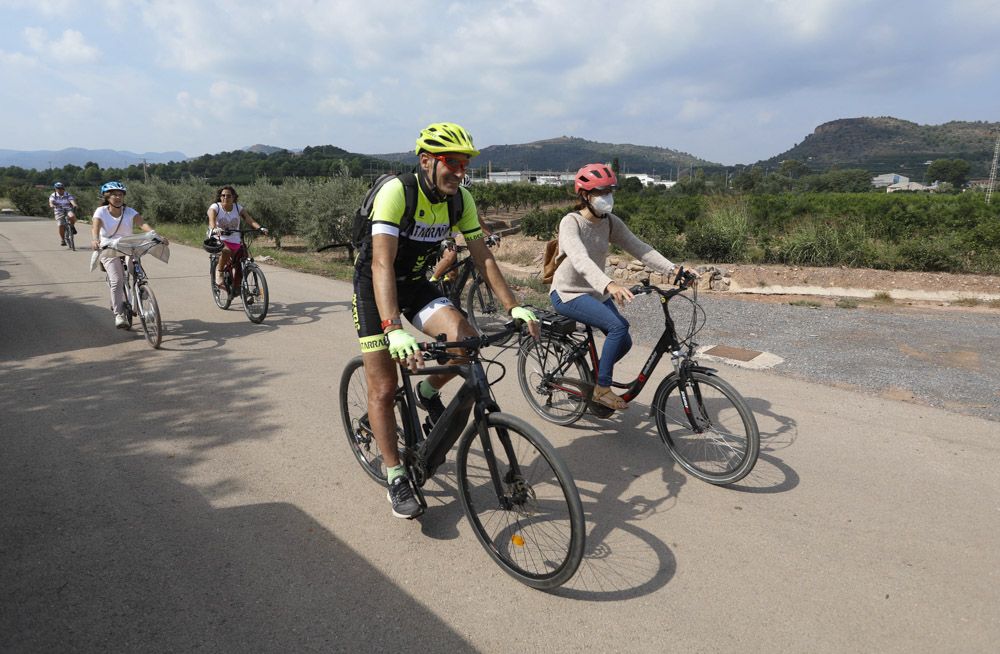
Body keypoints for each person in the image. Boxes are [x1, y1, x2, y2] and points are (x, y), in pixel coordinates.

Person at [352, 121, 539, 519]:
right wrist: (392, 328)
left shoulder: (460, 200)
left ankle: (427, 393)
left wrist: (513, 306)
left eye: (464, 164)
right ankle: (396, 474)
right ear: (426, 161)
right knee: (383, 387)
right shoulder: (397, 192)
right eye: (450, 163)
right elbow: (382, 263)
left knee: (465, 342)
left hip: (417, 285)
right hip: (374, 288)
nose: (459, 172)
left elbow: (483, 256)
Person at [549, 163, 697, 411]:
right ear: (585, 195)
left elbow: (640, 248)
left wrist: (674, 269)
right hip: (567, 293)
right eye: (600, 193)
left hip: (595, 293)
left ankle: (594, 378)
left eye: (609, 192)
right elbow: (580, 259)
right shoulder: (570, 222)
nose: (607, 198)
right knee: (617, 326)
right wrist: (610, 284)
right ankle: (602, 389)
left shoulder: (609, 222)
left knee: (624, 340)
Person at [91, 181, 168, 328]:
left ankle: (141, 289)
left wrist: (157, 236)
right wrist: (95, 239)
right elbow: (95, 227)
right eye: (114, 195)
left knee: (135, 268)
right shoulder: (100, 211)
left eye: (120, 195)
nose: (118, 197)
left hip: (128, 245)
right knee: (117, 280)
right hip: (109, 247)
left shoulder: (130, 211)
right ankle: (119, 314)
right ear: (107, 197)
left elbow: (143, 225)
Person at [207, 186, 266, 288]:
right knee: (226, 251)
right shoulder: (215, 207)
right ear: (220, 197)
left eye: (229, 196)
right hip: (218, 238)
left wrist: (260, 228)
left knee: (243, 259)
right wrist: (215, 228)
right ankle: (219, 271)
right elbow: (211, 219)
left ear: (233, 197)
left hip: (235, 239)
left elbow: (249, 219)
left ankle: (238, 287)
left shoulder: (238, 208)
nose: (225, 197)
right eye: (223, 195)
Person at [49, 182, 79, 246]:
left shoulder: (67, 194)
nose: (60, 190)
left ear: (63, 188)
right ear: (55, 189)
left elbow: (72, 201)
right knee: (60, 225)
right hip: (58, 211)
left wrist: (74, 204)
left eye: (61, 188)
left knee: (72, 216)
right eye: (58, 188)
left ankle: (72, 226)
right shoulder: (53, 195)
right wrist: (52, 205)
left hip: (68, 209)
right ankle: (63, 240)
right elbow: (51, 202)